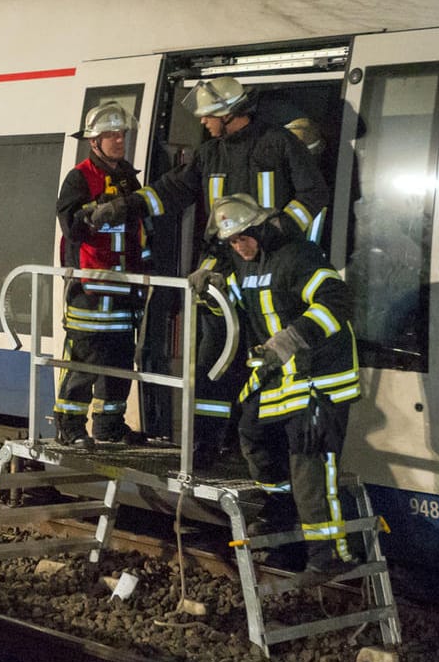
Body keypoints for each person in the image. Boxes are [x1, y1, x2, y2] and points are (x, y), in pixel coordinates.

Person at [87, 76, 329, 463]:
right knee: (212, 360)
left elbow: (313, 194)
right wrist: (125, 206)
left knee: (266, 360)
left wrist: (275, 233)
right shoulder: (210, 155)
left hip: (271, 272)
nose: (202, 122)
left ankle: (263, 451)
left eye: (208, 115)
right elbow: (170, 190)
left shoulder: (279, 144)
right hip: (222, 274)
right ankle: (205, 446)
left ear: (229, 112)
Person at [200, 193, 361, 574]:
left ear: (259, 228)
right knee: (252, 433)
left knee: (309, 466)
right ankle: (280, 514)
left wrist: (290, 340)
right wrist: (210, 290)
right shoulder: (245, 265)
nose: (240, 247)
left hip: (321, 380)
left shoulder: (298, 256)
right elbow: (232, 307)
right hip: (281, 379)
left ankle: (329, 556)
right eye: (233, 243)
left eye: (244, 238)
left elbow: (337, 301)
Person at [52, 102, 151, 447]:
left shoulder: (128, 176)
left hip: (125, 290)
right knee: (84, 359)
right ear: (93, 142)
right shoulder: (79, 177)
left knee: (120, 361)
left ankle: (110, 424)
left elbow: (141, 231)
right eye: (110, 135)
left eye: (121, 133)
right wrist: (96, 212)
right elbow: (71, 226)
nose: (119, 140)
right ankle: (70, 425)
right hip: (91, 291)